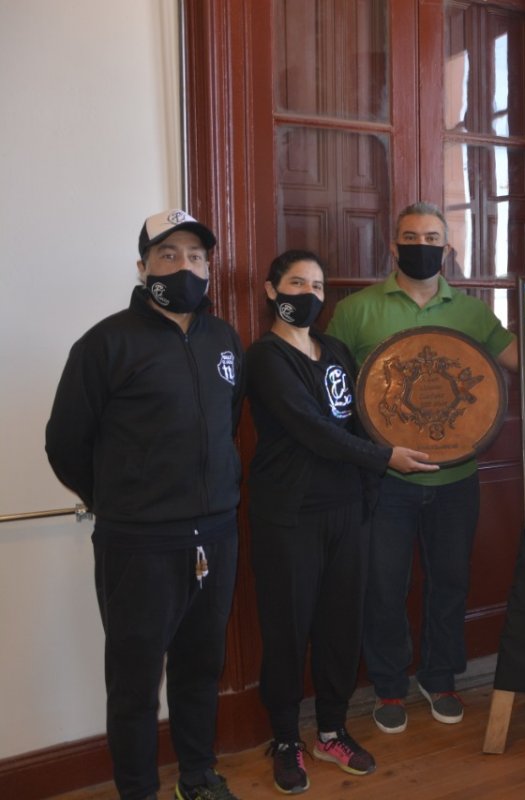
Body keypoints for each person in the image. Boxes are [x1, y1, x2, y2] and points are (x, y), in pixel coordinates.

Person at [45, 210, 244, 800]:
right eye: (168, 255)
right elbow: (65, 444)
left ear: (208, 268)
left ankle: (197, 777)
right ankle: (138, 791)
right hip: (140, 544)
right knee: (134, 685)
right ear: (143, 267)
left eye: (196, 256)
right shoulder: (104, 344)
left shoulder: (223, 339)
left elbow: (227, 422)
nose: (185, 266)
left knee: (200, 669)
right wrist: (121, 500)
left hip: (217, 534)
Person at [245, 251, 437, 792]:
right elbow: (312, 428)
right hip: (289, 517)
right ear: (271, 290)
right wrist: (384, 459)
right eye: (296, 282)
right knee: (287, 631)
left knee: (340, 628)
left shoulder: (334, 351)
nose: (308, 293)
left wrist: (371, 482)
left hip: (347, 511)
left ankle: (331, 730)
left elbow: (360, 419)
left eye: (316, 285)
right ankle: (287, 739)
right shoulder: (265, 357)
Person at [326, 201, 518, 733]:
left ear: (448, 248)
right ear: (393, 246)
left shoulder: (472, 313)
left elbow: (522, 360)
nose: (421, 246)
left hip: (457, 481)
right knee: (384, 587)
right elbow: (331, 388)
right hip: (385, 479)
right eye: (411, 237)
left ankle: (440, 678)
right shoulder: (357, 310)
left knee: (450, 583)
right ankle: (389, 687)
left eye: (432, 237)